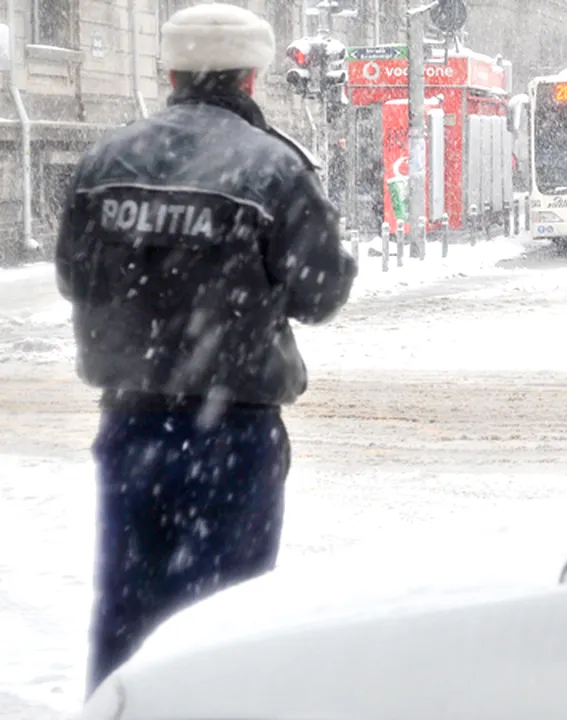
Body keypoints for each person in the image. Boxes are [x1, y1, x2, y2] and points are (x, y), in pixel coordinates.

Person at [53, 3, 357, 695]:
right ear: (249, 77)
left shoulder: (104, 162)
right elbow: (320, 294)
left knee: (128, 612)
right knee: (227, 620)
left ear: (172, 74)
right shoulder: (275, 169)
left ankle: (120, 709)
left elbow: (73, 277)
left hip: (131, 427)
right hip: (233, 434)